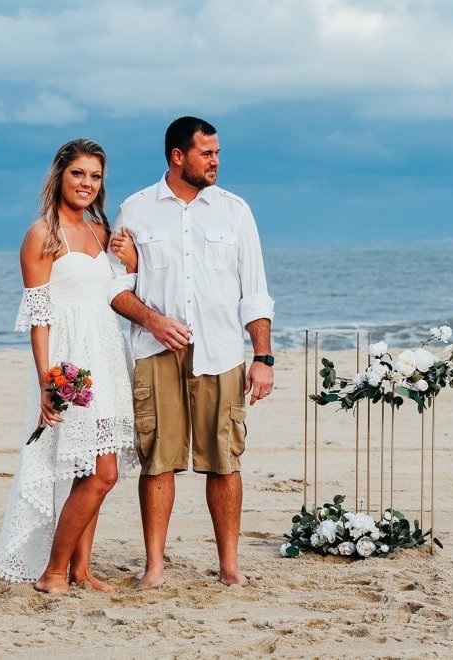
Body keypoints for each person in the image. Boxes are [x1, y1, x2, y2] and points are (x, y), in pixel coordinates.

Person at [107, 116, 275, 587]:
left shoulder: (235, 211)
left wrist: (262, 358)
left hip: (222, 354)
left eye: (217, 153)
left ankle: (229, 567)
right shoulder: (136, 209)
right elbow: (115, 287)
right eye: (207, 153)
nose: (216, 161)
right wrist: (153, 321)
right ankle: (154, 567)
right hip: (154, 354)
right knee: (157, 461)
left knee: (225, 460)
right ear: (178, 156)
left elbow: (255, 292)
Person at [0, 139, 140, 593]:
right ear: (60, 175)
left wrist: (131, 262)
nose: (86, 183)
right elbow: (39, 316)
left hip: (107, 357)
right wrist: (47, 382)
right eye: (78, 173)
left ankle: (81, 569)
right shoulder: (42, 234)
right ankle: (53, 572)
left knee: (89, 470)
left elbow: (115, 293)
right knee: (102, 473)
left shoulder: (100, 230)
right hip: (71, 364)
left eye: (95, 176)